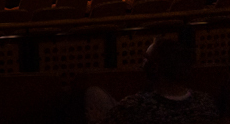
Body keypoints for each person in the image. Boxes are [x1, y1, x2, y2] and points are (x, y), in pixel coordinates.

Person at [85, 38, 219, 124]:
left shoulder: (135, 107)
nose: (142, 63)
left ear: (154, 68)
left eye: (145, 59)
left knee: (94, 94)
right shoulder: (204, 103)